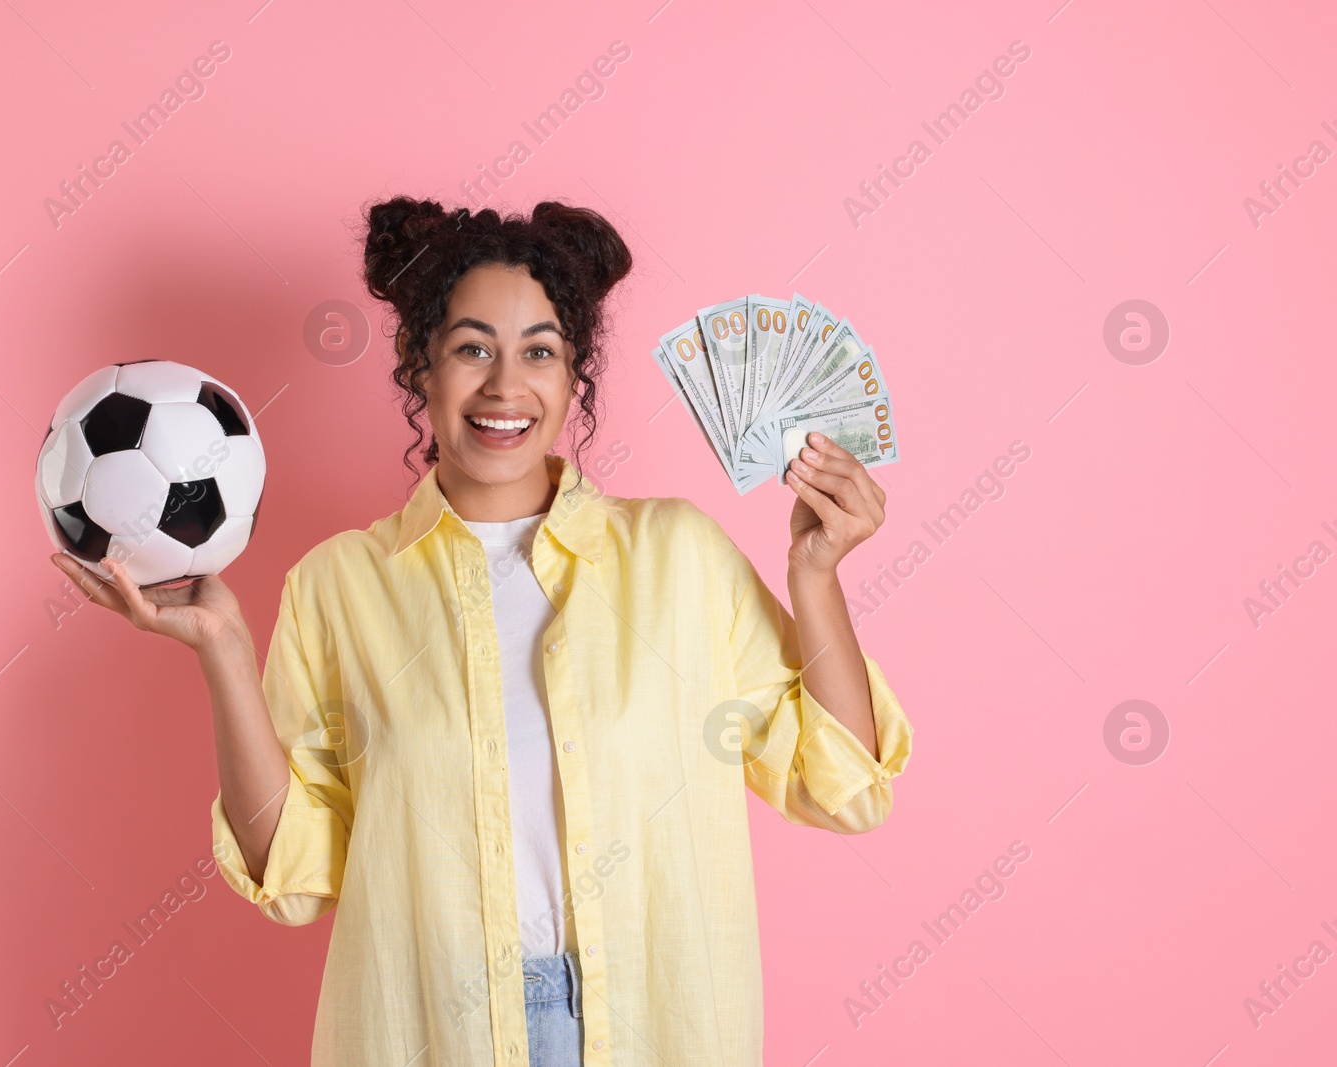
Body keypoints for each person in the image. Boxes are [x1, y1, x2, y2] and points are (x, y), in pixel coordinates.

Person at [51, 196, 913, 1066]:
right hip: (435, 1031)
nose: (506, 386)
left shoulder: (679, 556)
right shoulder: (340, 586)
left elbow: (843, 784)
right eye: (472, 348)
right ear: (419, 366)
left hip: (657, 1021)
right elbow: (293, 871)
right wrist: (226, 653)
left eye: (539, 350)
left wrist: (815, 574)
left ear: (576, 373)